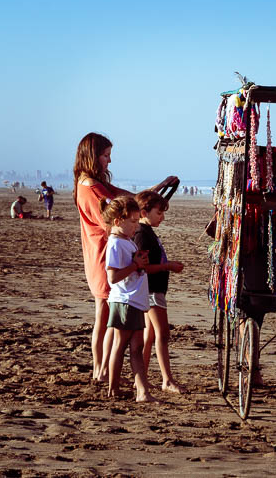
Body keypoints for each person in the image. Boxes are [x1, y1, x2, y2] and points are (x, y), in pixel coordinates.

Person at [73, 131, 178, 381]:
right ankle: (102, 368)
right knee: (107, 312)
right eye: (106, 156)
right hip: (105, 254)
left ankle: (103, 368)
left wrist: (156, 188)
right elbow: (117, 210)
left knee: (105, 311)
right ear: (93, 156)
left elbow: (127, 196)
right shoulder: (91, 188)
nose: (109, 161)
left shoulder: (94, 184)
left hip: (100, 252)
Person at [101, 196, 154, 401]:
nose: (136, 226)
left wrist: (138, 262)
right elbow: (112, 276)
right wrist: (135, 266)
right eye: (132, 222)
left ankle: (142, 391)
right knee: (121, 345)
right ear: (117, 221)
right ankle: (114, 389)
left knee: (135, 348)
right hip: (126, 300)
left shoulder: (125, 241)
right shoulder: (115, 243)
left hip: (133, 300)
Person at [134, 191, 185, 393]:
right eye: (159, 212)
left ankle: (142, 378)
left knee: (150, 336)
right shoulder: (142, 235)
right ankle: (167, 380)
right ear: (144, 212)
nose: (162, 217)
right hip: (152, 291)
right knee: (163, 334)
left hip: (153, 290)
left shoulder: (146, 232)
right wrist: (167, 266)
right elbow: (143, 268)